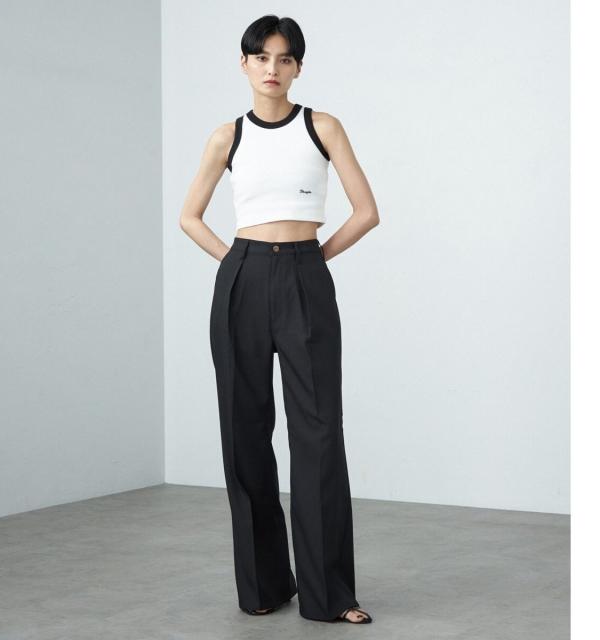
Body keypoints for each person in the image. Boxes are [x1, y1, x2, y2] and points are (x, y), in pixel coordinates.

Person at [179, 14, 380, 624]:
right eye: (262, 57)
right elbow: (189, 216)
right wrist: (236, 262)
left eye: (284, 58)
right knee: (244, 432)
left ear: (298, 67)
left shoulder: (323, 126)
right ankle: (265, 584)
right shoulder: (227, 137)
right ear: (244, 64)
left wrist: (310, 260)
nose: (273, 68)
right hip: (242, 279)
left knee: (318, 433)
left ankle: (330, 594)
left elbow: (366, 211)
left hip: (303, 276)